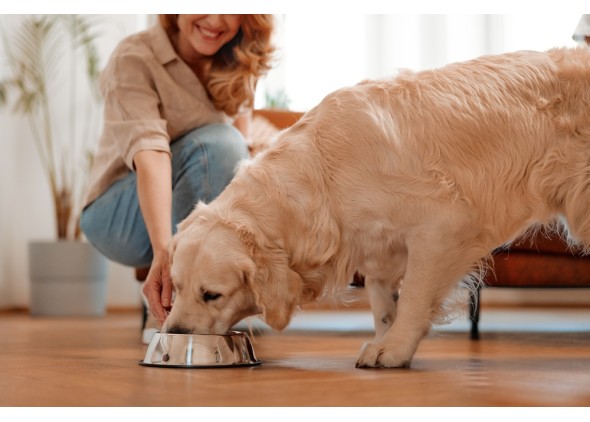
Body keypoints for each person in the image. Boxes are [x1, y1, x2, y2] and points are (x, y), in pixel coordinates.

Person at [81, 14, 275, 342]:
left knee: (231, 147)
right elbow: (151, 155)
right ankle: (170, 310)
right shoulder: (134, 57)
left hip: (184, 204)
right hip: (118, 215)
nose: (215, 19)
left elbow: (239, 162)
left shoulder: (238, 61)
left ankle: (206, 311)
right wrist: (164, 251)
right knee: (218, 143)